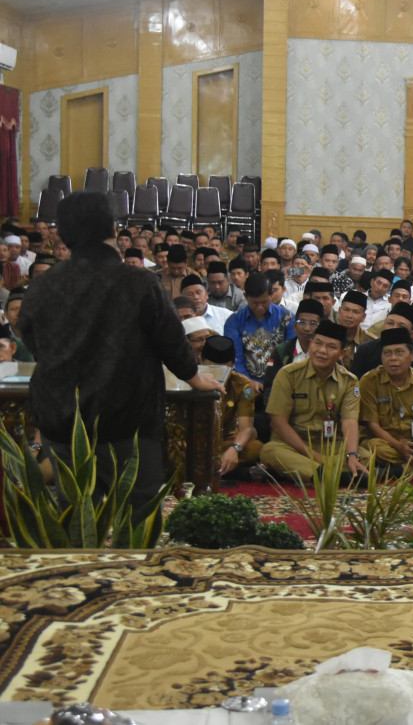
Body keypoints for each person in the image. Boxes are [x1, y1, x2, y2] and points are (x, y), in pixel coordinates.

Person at [20, 191, 224, 510]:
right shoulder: (139, 282)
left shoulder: (43, 285)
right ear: (113, 229)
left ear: (63, 235)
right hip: (127, 417)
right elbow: (171, 340)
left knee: (75, 513)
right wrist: (193, 376)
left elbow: (33, 341)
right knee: (138, 512)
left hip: (62, 416)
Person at [260, 319, 366, 482]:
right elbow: (278, 423)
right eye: (318, 343)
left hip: (330, 444)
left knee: (366, 454)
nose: (322, 351)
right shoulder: (288, 374)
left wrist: (352, 455)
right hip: (294, 444)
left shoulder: (349, 381)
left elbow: (349, 422)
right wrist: (313, 455)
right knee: (270, 451)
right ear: (310, 345)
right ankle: (333, 475)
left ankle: (315, 473)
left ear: (341, 353)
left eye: (331, 347)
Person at [357, 327, 413, 471]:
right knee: (373, 447)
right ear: (381, 357)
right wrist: (399, 446)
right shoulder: (369, 381)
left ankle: (396, 471)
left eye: (399, 352)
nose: (393, 358)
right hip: (386, 443)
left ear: (412, 355)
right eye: (387, 353)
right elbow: (372, 425)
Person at [199, 336, 263, 476]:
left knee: (255, 448)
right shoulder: (190, 379)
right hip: (195, 441)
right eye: (210, 368)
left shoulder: (241, 384)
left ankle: (215, 466)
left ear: (233, 364)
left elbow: (246, 428)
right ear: (201, 361)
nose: (216, 376)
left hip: (225, 441)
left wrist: (235, 448)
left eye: (222, 370)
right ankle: (224, 469)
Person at [223, 272, 295, 393]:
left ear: (271, 295)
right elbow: (236, 359)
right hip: (245, 384)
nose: (260, 307)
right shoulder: (234, 321)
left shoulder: (287, 318)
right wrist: (248, 381)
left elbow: (291, 355)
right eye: (255, 303)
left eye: (264, 302)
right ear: (245, 297)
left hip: (282, 383)